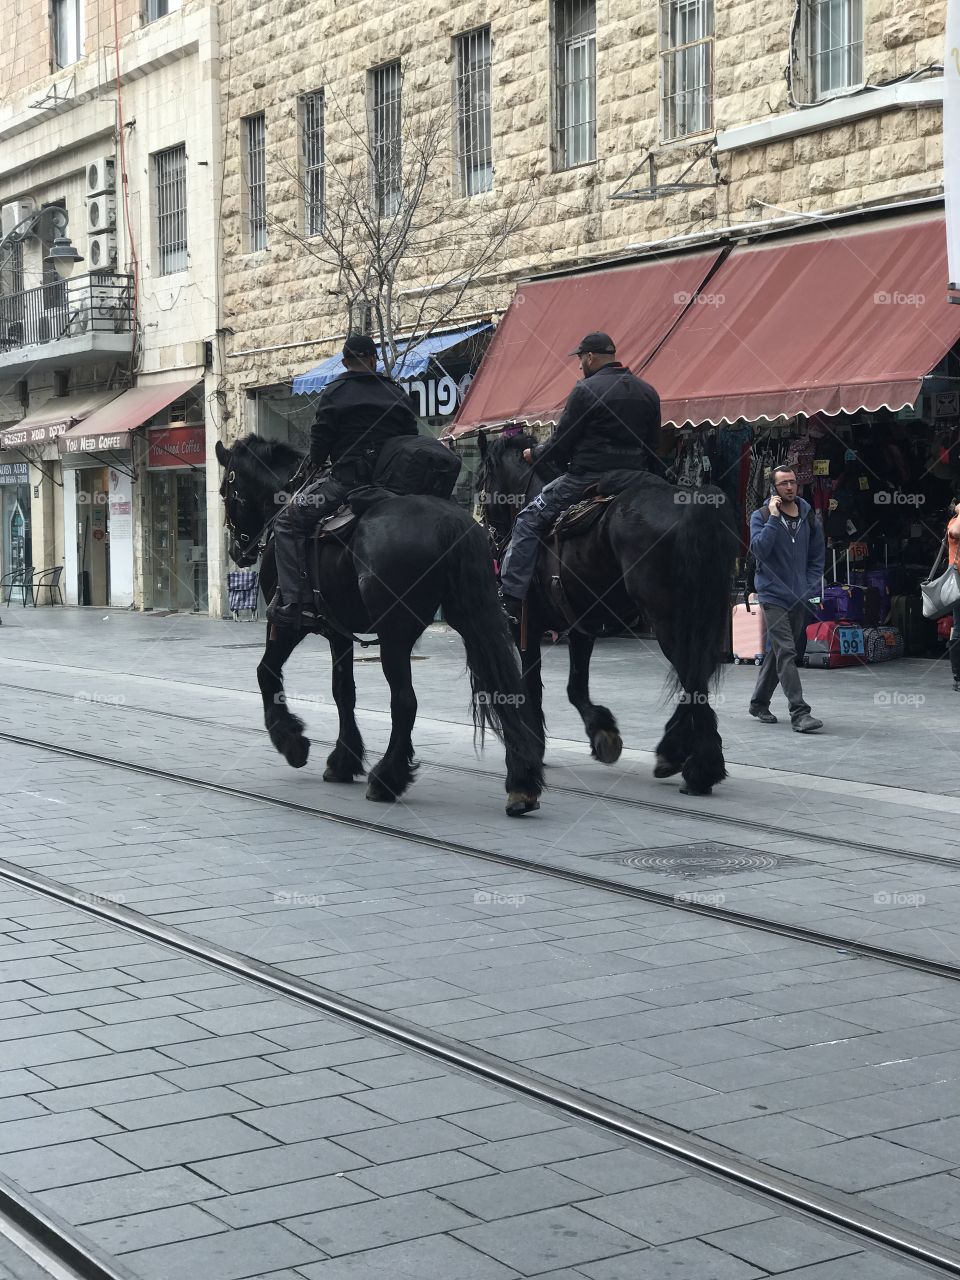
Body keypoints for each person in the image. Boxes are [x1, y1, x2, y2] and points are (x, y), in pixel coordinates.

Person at [499, 332, 660, 617]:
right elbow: (654, 447)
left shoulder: (586, 390)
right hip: (638, 478)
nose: (579, 366)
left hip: (588, 478)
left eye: (580, 359)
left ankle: (510, 598)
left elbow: (561, 445)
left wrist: (535, 454)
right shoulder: (648, 392)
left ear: (590, 357)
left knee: (526, 519)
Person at [268, 333, 418, 629]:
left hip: (347, 483)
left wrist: (317, 457)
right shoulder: (396, 392)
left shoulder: (335, 392)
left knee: (286, 523)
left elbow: (321, 439)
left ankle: (298, 603)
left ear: (346, 362)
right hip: (393, 484)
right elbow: (410, 437)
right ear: (374, 360)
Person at [747, 464, 825, 733]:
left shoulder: (807, 515)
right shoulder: (759, 516)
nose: (790, 487)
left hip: (800, 595)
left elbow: (817, 555)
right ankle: (800, 713)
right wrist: (771, 517)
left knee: (779, 652)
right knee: (788, 651)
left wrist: (810, 585)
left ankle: (758, 702)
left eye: (793, 482)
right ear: (773, 488)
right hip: (772, 595)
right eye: (783, 484)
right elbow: (759, 549)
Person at [947, 499, 960, 692]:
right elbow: (956, 532)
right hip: (959, 580)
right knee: (959, 627)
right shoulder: (954, 522)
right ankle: (958, 674)